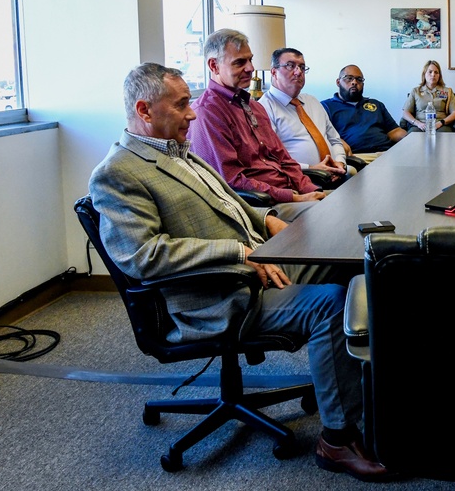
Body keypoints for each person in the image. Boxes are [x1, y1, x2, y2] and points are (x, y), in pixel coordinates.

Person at [89, 62, 396, 482]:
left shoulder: (175, 151)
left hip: (252, 268)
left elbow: (230, 201)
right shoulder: (117, 173)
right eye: (181, 105)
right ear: (144, 110)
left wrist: (267, 218)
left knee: (351, 263)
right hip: (218, 294)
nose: (193, 114)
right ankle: (337, 439)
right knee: (330, 304)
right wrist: (239, 251)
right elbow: (143, 255)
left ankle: (365, 392)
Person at [187, 29, 324, 223]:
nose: (251, 68)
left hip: (290, 192)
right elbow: (230, 182)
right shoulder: (207, 113)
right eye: (239, 62)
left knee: (341, 203)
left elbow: (284, 158)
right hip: (261, 205)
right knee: (329, 217)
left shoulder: (253, 106)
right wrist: (294, 197)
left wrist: (310, 189)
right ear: (214, 65)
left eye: (250, 60)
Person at [258, 47, 351, 181]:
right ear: (274, 72)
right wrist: (311, 168)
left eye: (302, 67)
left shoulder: (312, 101)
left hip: (335, 172)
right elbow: (269, 157)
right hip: (301, 178)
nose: (298, 72)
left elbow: (334, 139)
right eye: (290, 66)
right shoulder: (264, 108)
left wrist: (340, 162)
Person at [322, 64, 407, 161]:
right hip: (357, 157)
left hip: (387, 153)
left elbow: (394, 131)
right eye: (349, 78)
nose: (354, 82)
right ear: (338, 82)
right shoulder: (326, 107)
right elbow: (321, 135)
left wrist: (412, 138)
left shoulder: (376, 104)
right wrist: (338, 142)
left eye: (359, 79)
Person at [400, 60, 455, 132]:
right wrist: (417, 123)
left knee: (443, 137)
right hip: (420, 125)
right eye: (430, 72)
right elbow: (405, 113)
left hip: (440, 125)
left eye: (436, 72)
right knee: (413, 138)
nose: (433, 74)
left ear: (439, 76)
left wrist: (441, 123)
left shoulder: (447, 91)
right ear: (424, 74)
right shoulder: (415, 91)